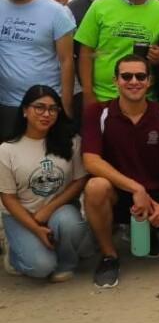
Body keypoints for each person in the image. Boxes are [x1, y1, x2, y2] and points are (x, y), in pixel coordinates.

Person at [80, 53, 159, 288]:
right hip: (119, 194)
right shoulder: (97, 112)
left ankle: (151, 231)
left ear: (149, 81)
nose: (133, 81)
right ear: (115, 81)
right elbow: (91, 161)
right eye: (126, 76)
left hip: (156, 195)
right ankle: (109, 256)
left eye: (140, 76)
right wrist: (136, 189)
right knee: (95, 187)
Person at [0, 86, 91, 282]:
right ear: (25, 110)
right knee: (41, 267)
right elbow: (8, 198)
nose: (46, 114)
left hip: (59, 210)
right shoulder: (7, 150)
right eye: (39, 107)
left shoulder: (71, 141)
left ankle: (66, 263)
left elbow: (79, 180)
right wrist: (36, 228)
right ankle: (14, 254)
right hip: (21, 216)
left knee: (70, 224)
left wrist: (49, 209)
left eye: (52, 109)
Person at [0, 0, 75, 138]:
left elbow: (66, 61)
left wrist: (66, 107)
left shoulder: (57, 12)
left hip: (45, 106)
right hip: (6, 105)